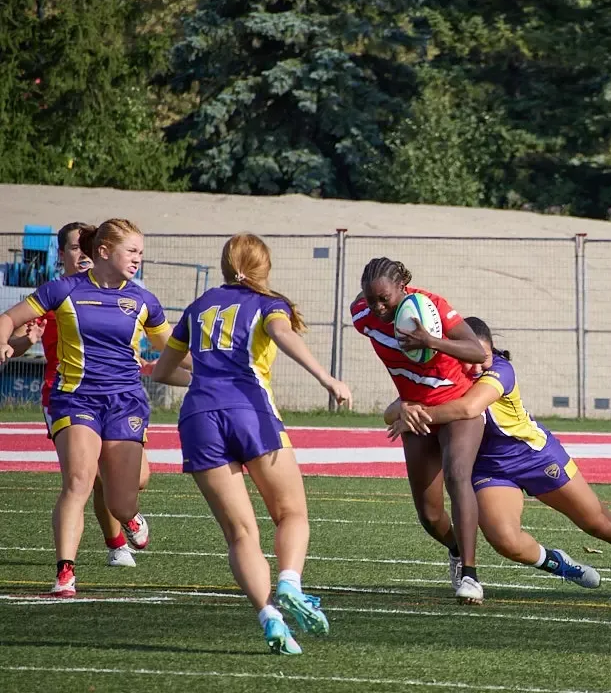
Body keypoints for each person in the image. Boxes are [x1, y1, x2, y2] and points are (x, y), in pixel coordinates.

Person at [385, 317, 611, 598]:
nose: (474, 365)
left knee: (598, 523)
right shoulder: (445, 375)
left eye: (480, 356)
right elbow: (391, 411)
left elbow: (469, 408)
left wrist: (417, 413)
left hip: (533, 456)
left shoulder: (501, 369)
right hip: (490, 469)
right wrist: (406, 408)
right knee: (505, 542)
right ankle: (560, 563)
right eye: (466, 356)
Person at [151, 233, 352, 655]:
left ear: (226, 266)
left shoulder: (198, 306)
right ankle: (290, 584)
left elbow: (163, 373)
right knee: (291, 513)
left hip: (198, 418)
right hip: (249, 412)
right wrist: (325, 377)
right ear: (264, 268)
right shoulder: (268, 303)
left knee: (241, 534)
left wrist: (207, 380)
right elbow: (282, 335)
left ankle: (269, 616)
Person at [0, 219, 171, 597]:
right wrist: (5, 342)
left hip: (125, 400)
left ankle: (127, 517)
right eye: (132, 251)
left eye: (141, 252)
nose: (138, 259)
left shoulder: (144, 300)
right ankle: (65, 572)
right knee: (78, 481)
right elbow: (9, 319)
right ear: (105, 252)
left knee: (127, 490)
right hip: (74, 397)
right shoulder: (62, 289)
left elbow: (171, 351)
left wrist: (213, 369)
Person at [351, 258, 488, 603]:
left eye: (385, 299)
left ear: (403, 287)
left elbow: (474, 349)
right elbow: (369, 311)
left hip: (457, 407)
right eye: (372, 300)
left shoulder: (434, 307)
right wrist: (404, 404)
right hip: (417, 414)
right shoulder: (362, 316)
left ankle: (470, 576)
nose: (379, 308)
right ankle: (455, 549)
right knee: (429, 515)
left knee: (458, 475)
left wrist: (431, 340)